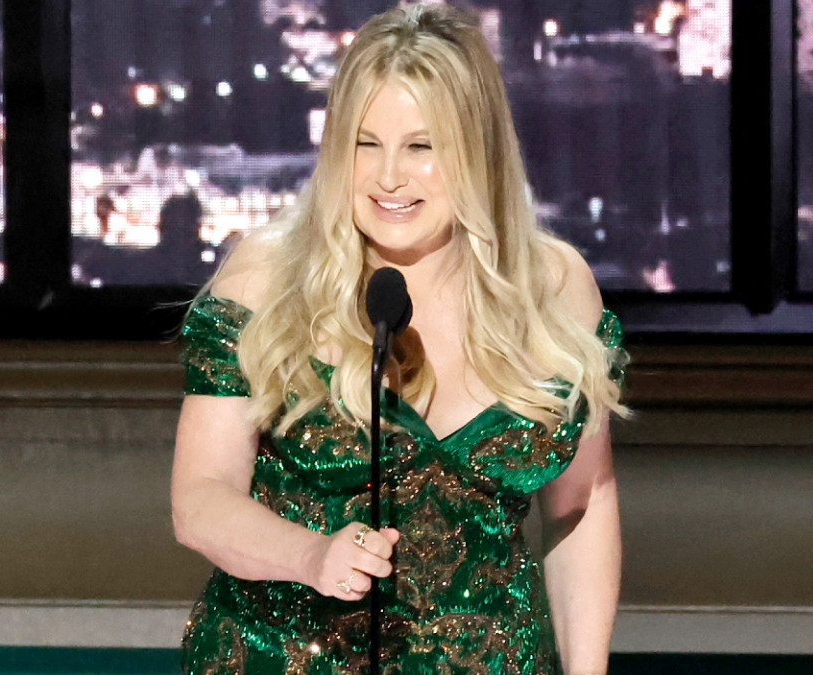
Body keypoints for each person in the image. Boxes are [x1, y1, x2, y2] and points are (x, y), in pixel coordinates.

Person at [172, 5, 627, 673]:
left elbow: (585, 503)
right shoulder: (268, 280)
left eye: (421, 147)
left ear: (476, 147)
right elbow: (200, 499)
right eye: (365, 143)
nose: (389, 177)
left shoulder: (555, 287)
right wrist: (313, 555)